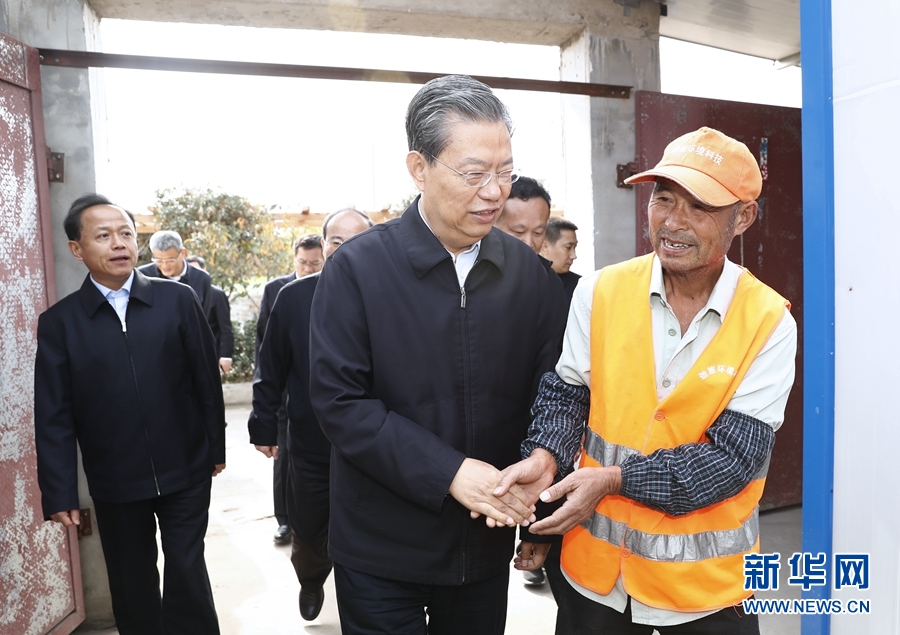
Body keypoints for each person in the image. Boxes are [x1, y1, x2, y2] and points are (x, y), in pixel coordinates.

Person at [500, 127, 798, 634]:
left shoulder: (768, 323)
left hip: (705, 590)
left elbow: (731, 460)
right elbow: (567, 397)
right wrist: (546, 456)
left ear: (743, 217)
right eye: (663, 198)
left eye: (700, 207)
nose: (673, 222)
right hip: (596, 580)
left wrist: (615, 479)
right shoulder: (601, 291)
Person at [308, 74, 560, 635]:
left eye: (504, 172)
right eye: (474, 173)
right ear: (418, 168)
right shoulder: (357, 270)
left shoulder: (526, 274)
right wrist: (449, 472)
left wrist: (541, 494)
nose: (494, 192)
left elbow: (553, 392)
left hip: (483, 544)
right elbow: (340, 403)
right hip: (380, 548)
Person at [34, 194, 226, 635]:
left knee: (187, 570)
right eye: (103, 236)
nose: (119, 243)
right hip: (115, 479)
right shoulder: (61, 323)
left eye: (126, 233)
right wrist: (59, 491)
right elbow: (54, 413)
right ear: (77, 249)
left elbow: (205, 381)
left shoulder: (177, 300)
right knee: (131, 580)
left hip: (186, 469)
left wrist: (214, 449)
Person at [250, 210, 373, 621]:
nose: (345, 249)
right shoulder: (293, 297)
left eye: (357, 241)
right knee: (309, 524)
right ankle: (311, 579)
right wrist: (263, 424)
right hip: (310, 440)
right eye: (336, 241)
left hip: (375, 445)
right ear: (323, 246)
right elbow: (271, 366)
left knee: (369, 529)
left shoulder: (392, 294)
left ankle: (364, 599)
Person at [493, 176, 567, 594]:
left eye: (538, 232)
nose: (529, 243)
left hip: (526, 454)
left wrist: (538, 528)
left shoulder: (548, 286)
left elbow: (557, 397)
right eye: (516, 231)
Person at [253, 233, 325, 545]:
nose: (307, 268)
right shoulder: (278, 290)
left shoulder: (337, 288)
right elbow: (265, 346)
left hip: (308, 392)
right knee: (283, 460)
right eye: (302, 263)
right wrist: (265, 404)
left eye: (314, 263)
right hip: (283, 392)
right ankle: (284, 519)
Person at [186, 255, 234, 374]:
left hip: (210, 352)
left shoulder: (217, 294)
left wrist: (226, 355)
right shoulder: (181, 293)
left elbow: (225, 328)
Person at [540, 217, 580, 305]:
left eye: (574, 248)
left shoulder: (580, 286)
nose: (573, 256)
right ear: (544, 247)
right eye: (568, 247)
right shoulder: (528, 282)